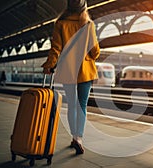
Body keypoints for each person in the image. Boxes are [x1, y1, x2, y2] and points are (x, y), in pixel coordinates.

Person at [42, 0, 100, 155]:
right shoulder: (88, 25)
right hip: (85, 71)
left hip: (68, 70)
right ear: (84, 8)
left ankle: (73, 136)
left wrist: (49, 64)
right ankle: (78, 138)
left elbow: (56, 48)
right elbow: (95, 51)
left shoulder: (60, 23)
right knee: (82, 105)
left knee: (72, 105)